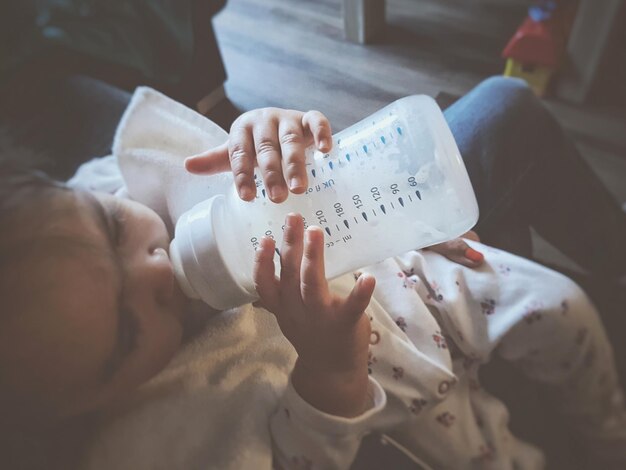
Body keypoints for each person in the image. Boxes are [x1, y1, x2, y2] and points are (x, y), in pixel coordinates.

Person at [1, 76, 625, 469]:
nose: (156, 271)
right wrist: (330, 377)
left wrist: (266, 132)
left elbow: (297, 179)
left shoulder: (106, 184)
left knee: (563, 305)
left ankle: (609, 432)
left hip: (416, 272)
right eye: (127, 332)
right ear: (82, 406)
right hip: (413, 405)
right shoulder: (155, 443)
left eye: (111, 228)